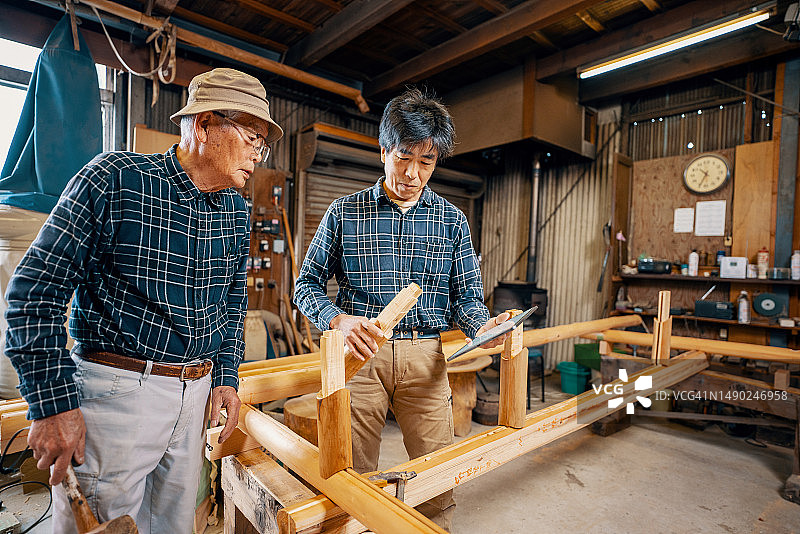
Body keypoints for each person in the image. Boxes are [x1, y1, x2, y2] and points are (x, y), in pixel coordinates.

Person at [5, 67, 283, 533]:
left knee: (173, 526)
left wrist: (226, 377)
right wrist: (52, 404)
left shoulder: (236, 210)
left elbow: (233, 304)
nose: (258, 152)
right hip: (117, 394)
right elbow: (35, 292)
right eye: (252, 136)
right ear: (204, 125)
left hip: (196, 397)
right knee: (104, 523)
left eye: (263, 144)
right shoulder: (116, 180)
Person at [294, 87, 509, 530]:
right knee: (350, 474)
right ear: (383, 151)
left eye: (426, 162)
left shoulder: (452, 220)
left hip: (425, 358)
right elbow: (305, 285)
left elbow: (467, 298)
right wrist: (338, 320)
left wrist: (482, 327)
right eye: (403, 157)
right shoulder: (344, 212)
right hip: (360, 356)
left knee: (437, 474)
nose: (412, 173)